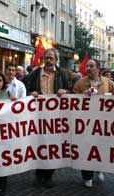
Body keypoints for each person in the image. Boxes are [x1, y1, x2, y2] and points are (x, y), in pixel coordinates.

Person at [73, 58, 114, 188]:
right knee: (87, 149)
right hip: (86, 123)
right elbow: (72, 100)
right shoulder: (80, 83)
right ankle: (87, 176)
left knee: (101, 148)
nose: (88, 68)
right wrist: (82, 95)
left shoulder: (107, 82)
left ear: (98, 69)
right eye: (87, 66)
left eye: (91, 66)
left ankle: (99, 168)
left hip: (103, 124)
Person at [26, 48, 69, 188]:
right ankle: (39, 176)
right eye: (47, 58)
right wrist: (30, 93)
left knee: (53, 146)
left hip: (55, 117)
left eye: (51, 58)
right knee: (39, 145)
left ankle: (49, 175)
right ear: (43, 59)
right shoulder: (35, 73)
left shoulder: (62, 73)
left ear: (56, 60)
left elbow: (70, 90)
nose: (49, 61)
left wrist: (65, 91)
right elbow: (25, 88)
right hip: (39, 116)